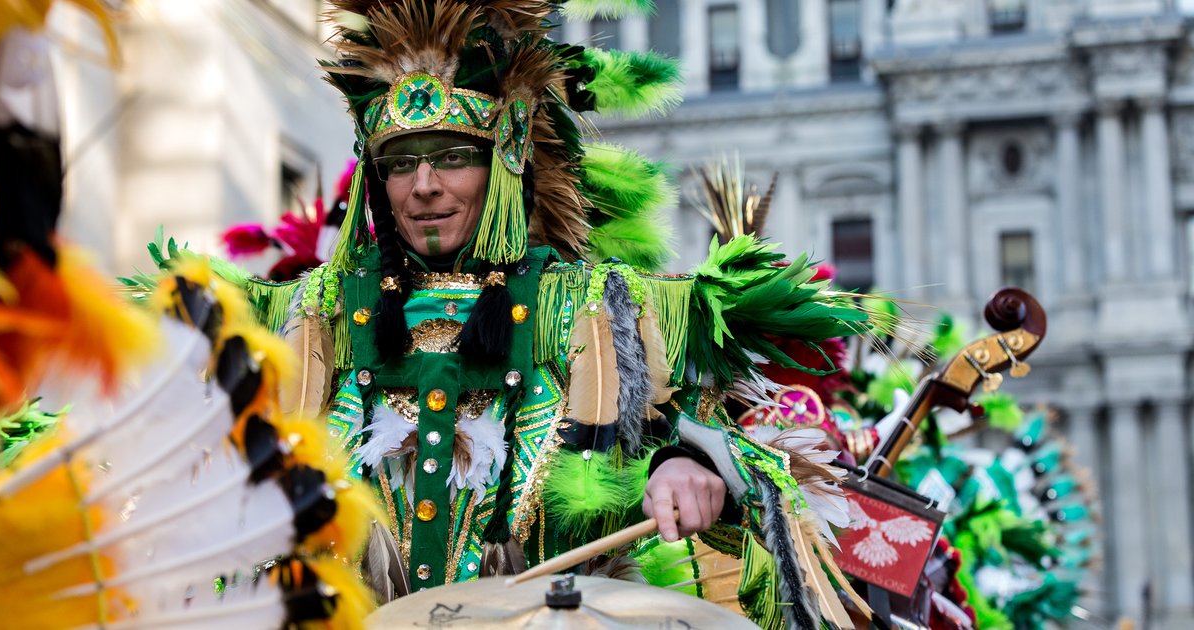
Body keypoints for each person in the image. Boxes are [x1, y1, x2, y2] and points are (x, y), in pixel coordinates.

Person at [257, 1, 882, 626]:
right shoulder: (321, 312)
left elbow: (730, 445)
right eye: (401, 161)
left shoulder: (591, 308)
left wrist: (682, 467)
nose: (423, 185)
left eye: (452, 156)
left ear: (505, 159)